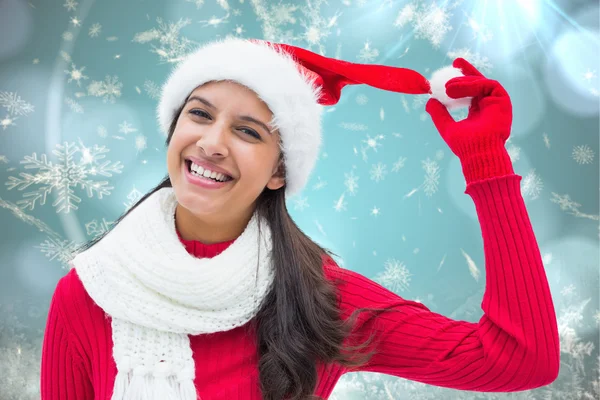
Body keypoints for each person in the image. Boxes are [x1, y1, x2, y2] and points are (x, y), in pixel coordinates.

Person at [40, 37, 560, 400]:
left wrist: (486, 163)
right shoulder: (90, 292)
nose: (212, 143)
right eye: (199, 114)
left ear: (278, 172)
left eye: (249, 132)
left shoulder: (320, 301)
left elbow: (520, 360)